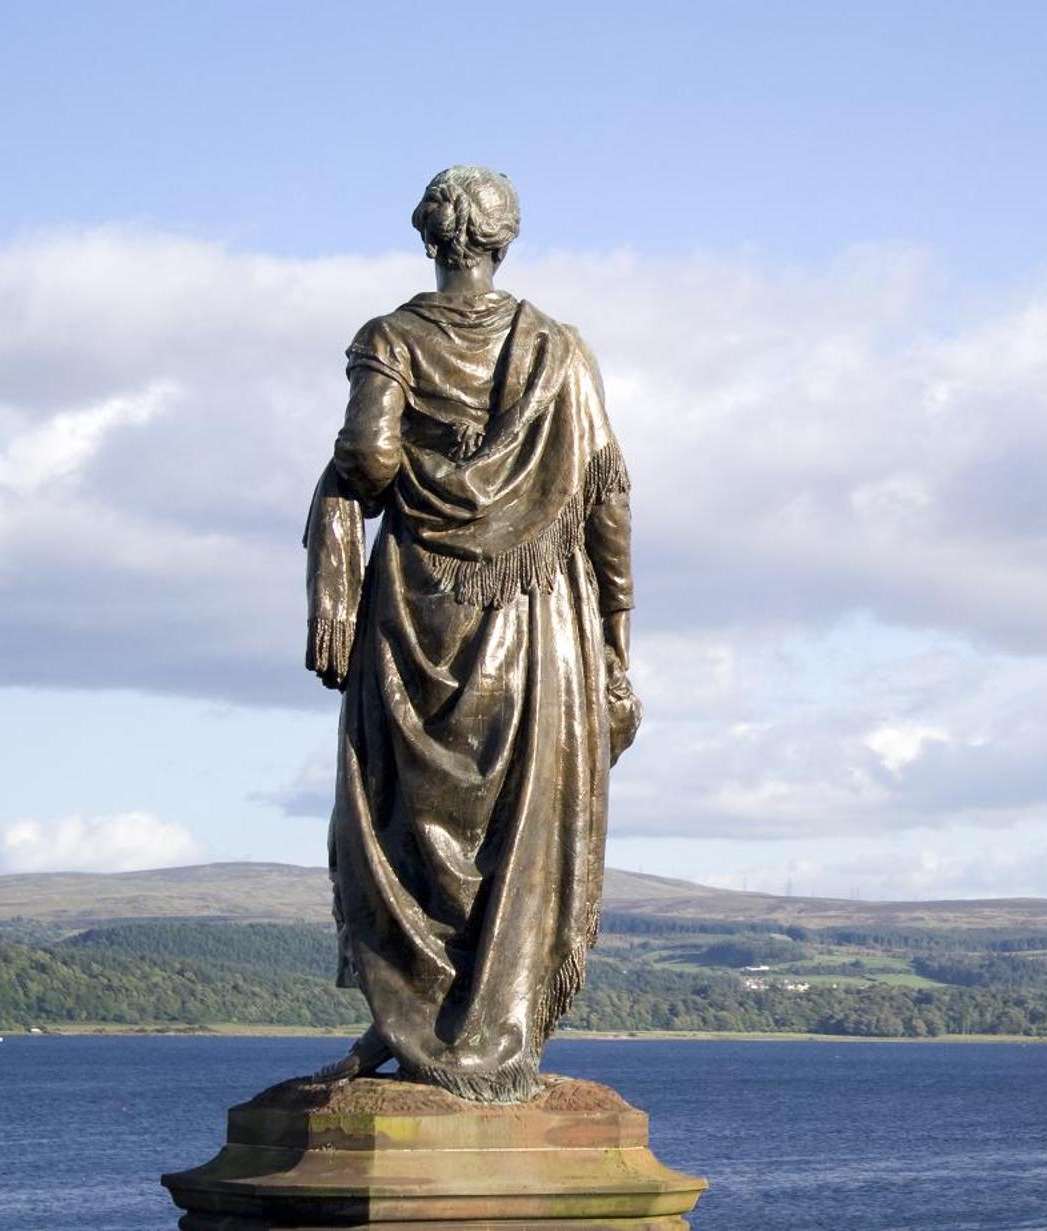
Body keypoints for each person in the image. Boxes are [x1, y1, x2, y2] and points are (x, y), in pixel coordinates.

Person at [302, 166, 637, 1102]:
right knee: (513, 819)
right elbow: (608, 493)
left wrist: (345, 490)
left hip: (419, 599)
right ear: (503, 241)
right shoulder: (561, 352)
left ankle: (413, 1020)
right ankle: (491, 1029)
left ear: (430, 238)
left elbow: (368, 458)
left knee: (409, 810)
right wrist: (616, 638)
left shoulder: (391, 340)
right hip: (536, 618)